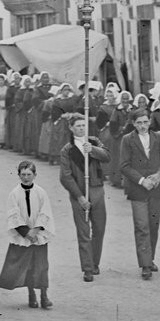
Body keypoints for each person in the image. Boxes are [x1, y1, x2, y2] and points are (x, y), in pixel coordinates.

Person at [120, 106, 160, 280]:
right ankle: (145, 264)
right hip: (138, 189)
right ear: (133, 124)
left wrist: (158, 175)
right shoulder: (127, 140)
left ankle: (150, 258)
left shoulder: (158, 137)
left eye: (145, 122)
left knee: (153, 225)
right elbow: (124, 166)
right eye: (139, 123)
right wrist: (143, 181)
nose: (143, 126)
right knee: (142, 226)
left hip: (155, 189)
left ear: (150, 122)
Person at [59, 113, 110, 282]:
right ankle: (87, 268)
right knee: (83, 232)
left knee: (99, 229)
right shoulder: (67, 150)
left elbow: (107, 156)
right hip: (79, 193)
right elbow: (65, 176)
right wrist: (79, 196)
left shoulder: (93, 141)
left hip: (97, 190)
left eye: (83, 125)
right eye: (78, 126)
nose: (81, 128)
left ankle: (95, 262)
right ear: (71, 128)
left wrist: (93, 150)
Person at [0, 159, 55, 309]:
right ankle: (31, 295)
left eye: (29, 174)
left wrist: (36, 230)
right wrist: (26, 232)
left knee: (42, 266)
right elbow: (13, 215)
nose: (26, 177)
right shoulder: (14, 194)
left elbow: (45, 212)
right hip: (23, 235)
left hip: (38, 235)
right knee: (28, 266)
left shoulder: (41, 192)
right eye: (23, 174)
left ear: (35, 175)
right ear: (18, 175)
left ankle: (44, 296)